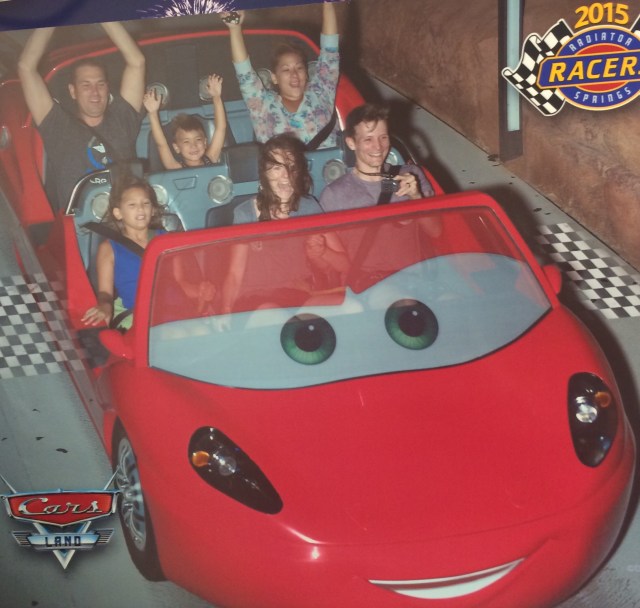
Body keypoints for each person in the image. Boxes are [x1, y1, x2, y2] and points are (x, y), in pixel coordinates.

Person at [17, 22, 146, 210]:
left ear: (107, 88)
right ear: (73, 91)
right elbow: (26, 68)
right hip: (81, 224)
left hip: (129, 219)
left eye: (100, 84)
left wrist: (104, 15)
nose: (95, 92)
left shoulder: (123, 119)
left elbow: (137, 62)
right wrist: (51, 17)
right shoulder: (57, 126)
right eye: (86, 85)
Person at [221, 133, 348, 315]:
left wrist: (323, 252)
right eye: (277, 168)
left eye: (291, 167)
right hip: (256, 299)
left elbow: (344, 264)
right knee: (271, 312)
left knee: (348, 305)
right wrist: (225, 311)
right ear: (264, 174)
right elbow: (234, 274)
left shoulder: (309, 207)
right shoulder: (245, 213)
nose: (286, 176)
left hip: (298, 297)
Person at [221, 2, 341, 147]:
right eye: (286, 70)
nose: (294, 74)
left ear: (306, 73)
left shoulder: (321, 92)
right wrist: (235, 29)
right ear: (274, 78)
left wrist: (328, 5)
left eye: (299, 68)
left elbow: (330, 51)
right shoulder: (263, 106)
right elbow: (244, 73)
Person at [81, 174, 164, 330]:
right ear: (118, 213)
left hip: (171, 310)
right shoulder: (109, 248)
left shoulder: (167, 239)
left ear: (153, 210)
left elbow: (182, 281)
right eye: (132, 205)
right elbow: (105, 293)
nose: (141, 208)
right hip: (137, 315)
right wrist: (105, 307)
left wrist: (201, 290)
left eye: (146, 203)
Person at [319, 103, 436, 212]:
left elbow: (436, 227)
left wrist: (416, 197)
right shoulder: (334, 194)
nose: (378, 146)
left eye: (383, 137)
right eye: (368, 139)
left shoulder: (411, 176)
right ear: (351, 143)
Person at [143, 74, 227, 169]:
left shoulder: (211, 158)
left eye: (198, 140)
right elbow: (161, 144)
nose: (193, 146)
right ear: (176, 147)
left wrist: (216, 97)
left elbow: (221, 128)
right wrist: (153, 113)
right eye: (186, 142)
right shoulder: (175, 168)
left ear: (205, 143)